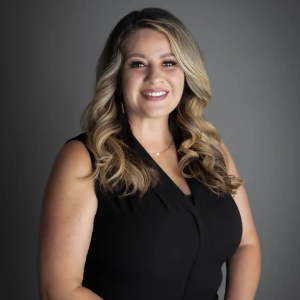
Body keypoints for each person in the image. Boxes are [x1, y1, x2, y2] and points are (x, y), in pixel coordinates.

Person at [38, 7, 261, 300]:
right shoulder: (82, 158)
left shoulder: (210, 149)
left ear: (186, 71)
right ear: (117, 76)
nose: (155, 77)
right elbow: (59, 290)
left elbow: (246, 244)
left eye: (169, 62)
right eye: (138, 64)